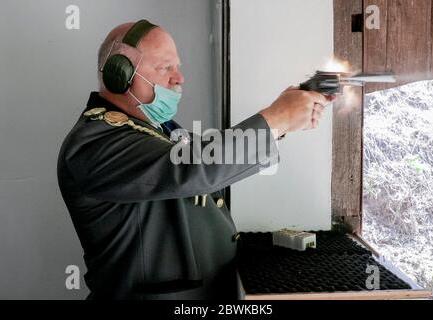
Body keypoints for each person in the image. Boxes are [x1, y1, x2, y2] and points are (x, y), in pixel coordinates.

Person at [57, 19, 334, 300]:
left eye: (177, 67)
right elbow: (193, 167)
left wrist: (282, 125)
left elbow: (207, 151)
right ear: (120, 74)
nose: (179, 78)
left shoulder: (158, 128)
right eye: (165, 67)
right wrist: (276, 119)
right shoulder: (94, 143)